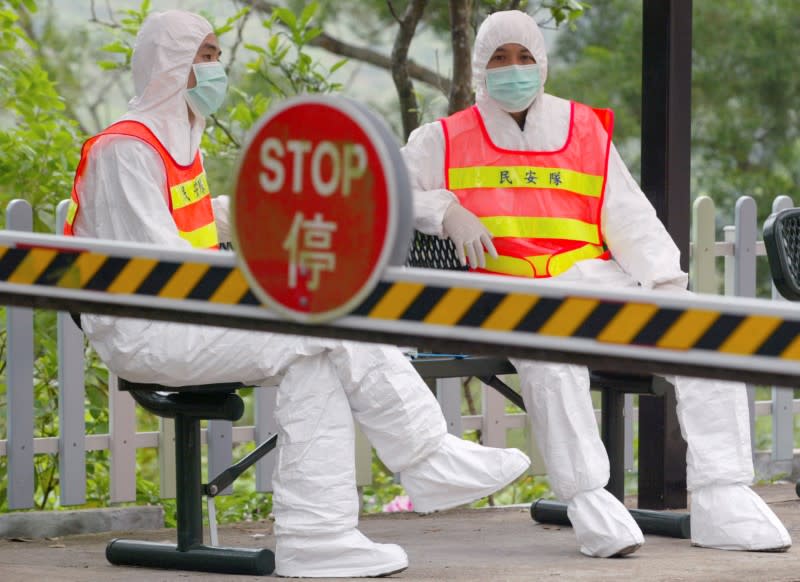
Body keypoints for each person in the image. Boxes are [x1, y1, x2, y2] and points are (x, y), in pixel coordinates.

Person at [64, 10, 530, 578]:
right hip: (148, 329)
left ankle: (319, 538)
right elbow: (164, 268)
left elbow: (189, 226)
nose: (217, 66)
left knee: (317, 354)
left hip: (186, 316)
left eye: (216, 54)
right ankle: (427, 459)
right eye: (205, 55)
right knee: (322, 323)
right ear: (170, 66)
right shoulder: (126, 151)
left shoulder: (177, 137)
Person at [402, 9, 792, 558]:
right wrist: (444, 209)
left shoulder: (583, 128)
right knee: (551, 355)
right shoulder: (440, 139)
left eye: (524, 57)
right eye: (499, 58)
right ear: (480, 68)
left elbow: (629, 216)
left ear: (543, 64)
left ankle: (722, 495)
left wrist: (664, 285)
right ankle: (590, 499)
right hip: (505, 291)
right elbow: (383, 192)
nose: (513, 69)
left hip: (592, 280)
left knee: (706, 333)